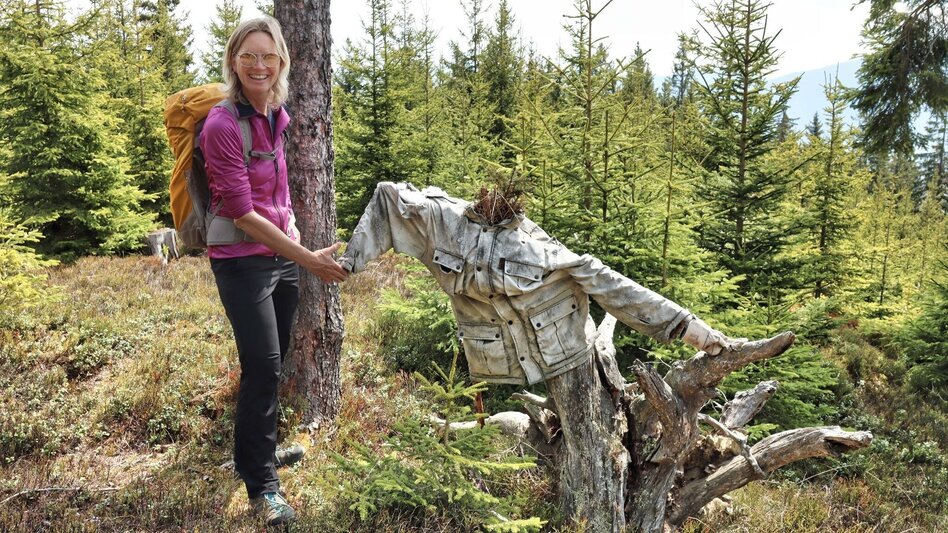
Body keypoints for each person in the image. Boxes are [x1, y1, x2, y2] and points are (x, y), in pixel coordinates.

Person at [340, 182, 744, 386]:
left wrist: (693, 330)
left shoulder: (543, 252)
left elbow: (618, 289)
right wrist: (345, 264)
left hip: (566, 358)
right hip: (494, 364)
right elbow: (388, 198)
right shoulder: (442, 225)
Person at [200, 16, 348, 526]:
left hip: (281, 256)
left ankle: (258, 455)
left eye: (268, 56)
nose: (258, 65)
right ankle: (262, 488)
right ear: (233, 61)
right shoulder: (221, 125)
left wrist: (293, 235)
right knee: (262, 367)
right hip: (241, 263)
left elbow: (276, 192)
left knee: (276, 359)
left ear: (282, 61)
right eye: (248, 56)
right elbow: (240, 211)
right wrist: (307, 258)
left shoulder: (274, 114)